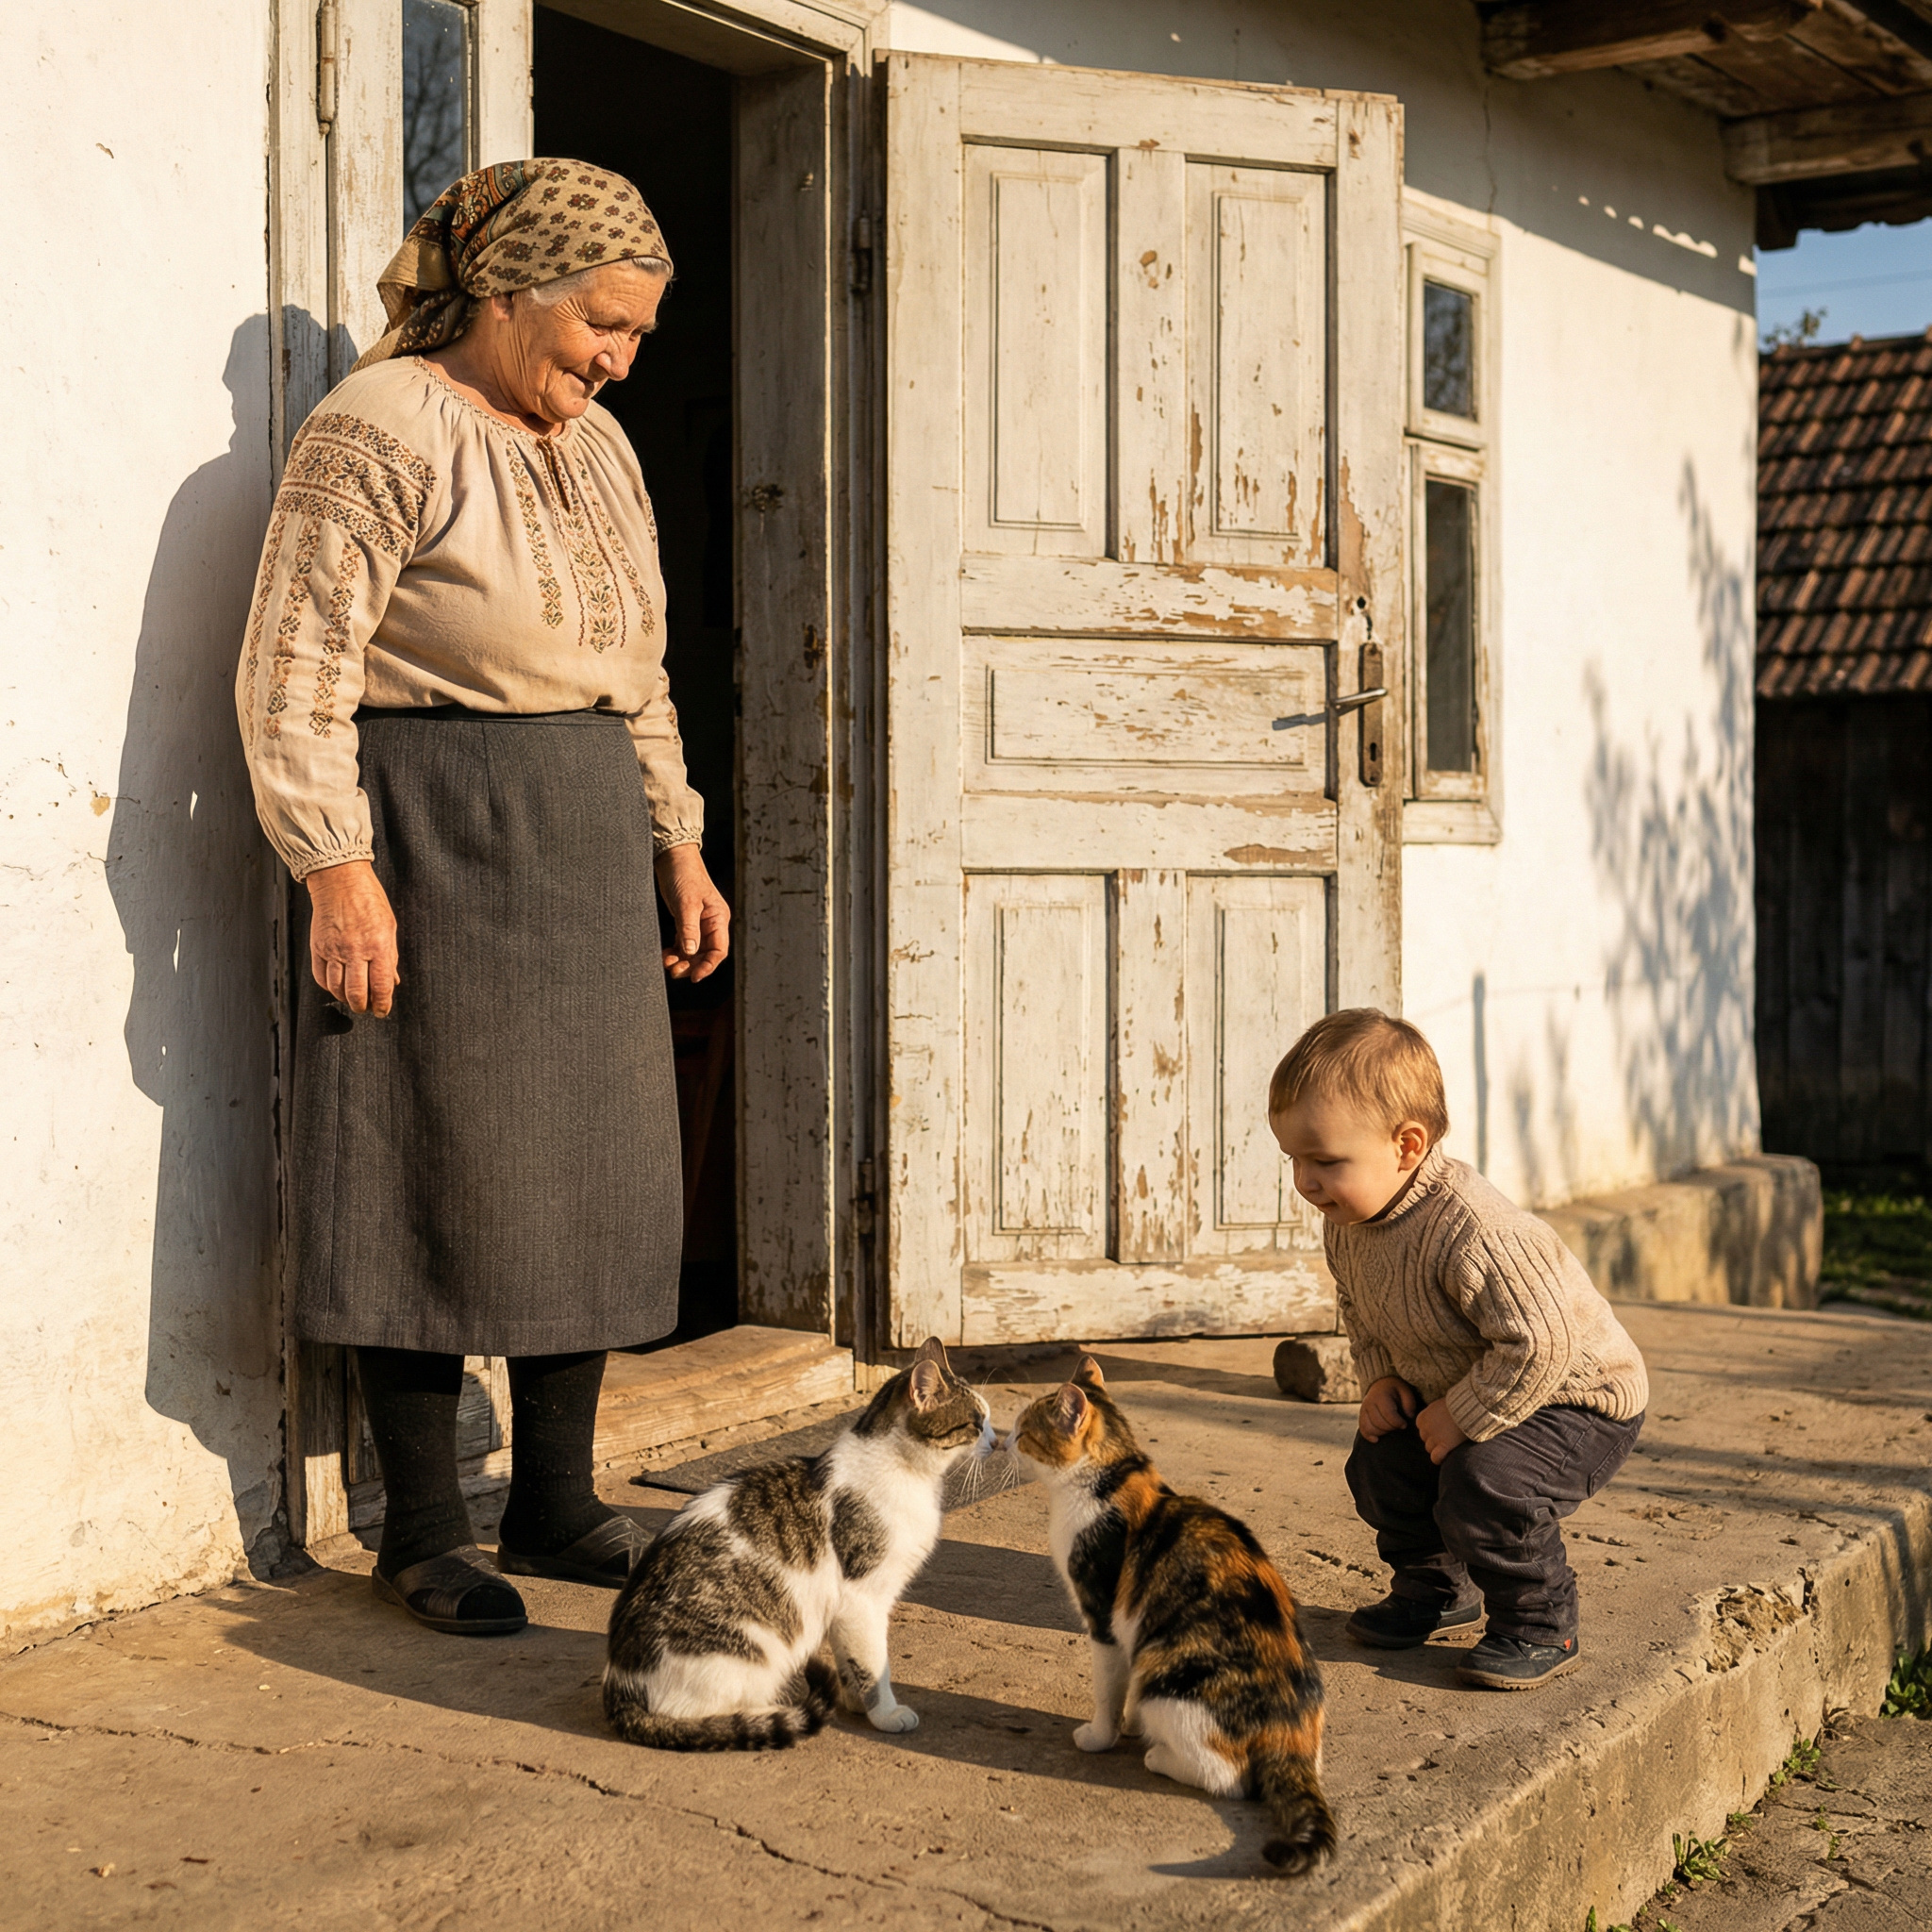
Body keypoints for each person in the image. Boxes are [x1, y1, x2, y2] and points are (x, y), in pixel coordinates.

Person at [236, 158, 729, 1637]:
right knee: (427, 1156)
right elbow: (298, 663)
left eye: (639, 336)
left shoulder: (606, 450)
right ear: (512, 289)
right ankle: (426, 1529)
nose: (618, 360)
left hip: (580, 829)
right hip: (435, 822)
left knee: (588, 1163)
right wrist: (336, 865)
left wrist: (678, 838)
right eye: (601, 326)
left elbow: (634, 672)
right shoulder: (378, 427)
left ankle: (557, 1498)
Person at [1268, 1009, 1648, 1689]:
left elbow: (1542, 1344)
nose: (1305, 1181)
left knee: (1487, 1483)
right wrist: (1379, 1379)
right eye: (1294, 1159)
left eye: (1325, 1161)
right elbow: (1362, 1310)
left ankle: (1539, 1620)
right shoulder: (1352, 1223)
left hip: (1577, 1398)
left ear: (1407, 1146)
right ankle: (1439, 1587)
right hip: (1475, 1385)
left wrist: (1464, 1413)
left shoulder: (1473, 1229)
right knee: (1380, 1460)